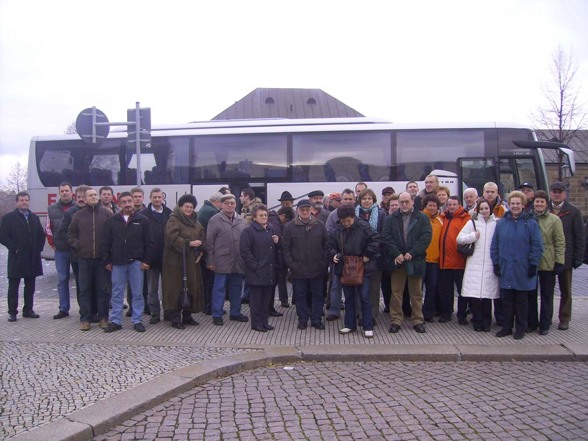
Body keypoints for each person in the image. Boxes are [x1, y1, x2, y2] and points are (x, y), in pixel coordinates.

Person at [491, 191, 543, 340]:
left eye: (517, 204)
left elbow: (537, 245)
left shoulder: (531, 223)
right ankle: (507, 327)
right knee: (506, 300)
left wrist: (533, 263)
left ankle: (520, 328)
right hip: (506, 267)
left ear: (523, 205)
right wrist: (496, 263)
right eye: (512, 203)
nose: (515, 206)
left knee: (521, 301)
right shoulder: (501, 223)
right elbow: (495, 245)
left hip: (523, 268)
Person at [102, 192, 154, 333]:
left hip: (136, 263)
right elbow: (106, 242)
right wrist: (107, 260)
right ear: (119, 204)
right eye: (124, 202)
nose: (127, 204)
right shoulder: (112, 221)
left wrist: (146, 260)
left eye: (129, 201)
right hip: (117, 263)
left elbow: (149, 242)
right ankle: (116, 321)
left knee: (137, 293)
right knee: (117, 293)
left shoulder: (142, 220)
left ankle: (137, 320)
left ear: (133, 202)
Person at [382, 191, 432, 334]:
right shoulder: (391, 219)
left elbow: (426, 237)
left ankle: (417, 320)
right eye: (401, 202)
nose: (404, 204)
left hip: (415, 260)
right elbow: (386, 237)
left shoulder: (422, 218)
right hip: (398, 261)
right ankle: (396, 320)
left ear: (412, 202)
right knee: (396, 293)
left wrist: (412, 252)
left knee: (416, 293)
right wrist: (397, 253)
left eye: (407, 201)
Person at [329, 205, 379, 338]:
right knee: (349, 298)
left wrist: (368, 254)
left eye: (348, 221)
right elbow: (330, 245)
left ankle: (368, 326)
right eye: (343, 221)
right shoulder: (338, 228)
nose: (346, 224)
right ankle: (349, 324)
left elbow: (376, 239)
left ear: (353, 217)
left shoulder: (363, 226)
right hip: (345, 266)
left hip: (363, 267)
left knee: (364, 297)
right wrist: (333, 254)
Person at [68, 187, 113, 331]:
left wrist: (109, 253)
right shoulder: (78, 215)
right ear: (85, 199)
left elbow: (114, 234)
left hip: (102, 259)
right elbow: (71, 234)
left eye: (95, 195)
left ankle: (103, 317)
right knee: (85, 290)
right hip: (84, 259)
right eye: (90, 195)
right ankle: (85, 319)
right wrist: (77, 245)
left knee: (102, 290)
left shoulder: (107, 214)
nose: (93, 197)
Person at [282, 199, 329, 330]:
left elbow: (327, 245)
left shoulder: (319, 225)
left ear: (311, 211)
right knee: (300, 296)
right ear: (298, 211)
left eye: (307, 210)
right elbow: (285, 248)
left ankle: (316, 319)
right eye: (302, 210)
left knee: (318, 295)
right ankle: (302, 319)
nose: (305, 212)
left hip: (317, 268)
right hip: (298, 269)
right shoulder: (290, 227)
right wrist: (292, 265)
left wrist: (323, 262)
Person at [0, 191, 46, 322]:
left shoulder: (34, 217)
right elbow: (3, 236)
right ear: (17, 202)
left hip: (32, 256)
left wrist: (39, 248)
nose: (24, 202)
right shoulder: (9, 218)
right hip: (17, 256)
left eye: (26, 200)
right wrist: (15, 248)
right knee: (14, 285)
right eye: (22, 200)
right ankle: (12, 312)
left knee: (30, 285)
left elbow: (41, 235)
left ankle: (28, 310)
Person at [163, 194, 205, 329]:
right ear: (180, 207)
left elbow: (202, 236)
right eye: (186, 206)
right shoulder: (173, 220)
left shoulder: (196, 221)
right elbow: (171, 238)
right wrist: (189, 243)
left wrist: (200, 250)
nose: (189, 209)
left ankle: (188, 316)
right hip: (175, 262)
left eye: (191, 207)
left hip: (192, 260)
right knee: (176, 288)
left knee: (192, 287)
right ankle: (175, 318)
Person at [548, 181, 586, 330]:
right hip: (548, 258)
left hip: (566, 257)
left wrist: (578, 256)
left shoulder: (573, 211)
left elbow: (579, 236)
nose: (557, 194)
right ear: (550, 193)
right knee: (547, 291)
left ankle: (564, 318)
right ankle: (547, 318)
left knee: (566, 290)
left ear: (564, 194)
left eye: (560, 192)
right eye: (554, 191)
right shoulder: (545, 208)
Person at [457, 199, 499, 332]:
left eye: (486, 208)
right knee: (474, 295)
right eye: (482, 209)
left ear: (490, 209)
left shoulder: (497, 223)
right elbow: (460, 239)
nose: (484, 211)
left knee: (487, 295)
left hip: (489, 262)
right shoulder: (472, 223)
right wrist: (473, 236)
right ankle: (477, 320)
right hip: (474, 262)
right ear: (478, 210)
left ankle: (487, 321)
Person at [206, 194, 248, 326]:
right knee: (219, 288)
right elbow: (209, 242)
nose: (230, 205)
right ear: (222, 205)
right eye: (227, 203)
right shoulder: (215, 220)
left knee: (236, 287)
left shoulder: (241, 220)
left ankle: (235, 312)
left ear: (236, 204)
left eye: (232, 203)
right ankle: (217, 314)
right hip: (221, 259)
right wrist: (210, 261)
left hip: (238, 259)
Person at [528, 190, 564, 335]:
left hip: (548, 261)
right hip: (531, 261)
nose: (539, 204)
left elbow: (560, 242)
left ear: (546, 203)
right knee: (531, 294)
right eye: (537, 201)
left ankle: (545, 323)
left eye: (542, 201)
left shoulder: (554, 220)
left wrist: (559, 261)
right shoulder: (528, 218)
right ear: (534, 203)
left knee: (546, 295)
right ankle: (532, 322)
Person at [240, 204, 279, 332]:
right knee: (256, 300)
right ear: (255, 217)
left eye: (265, 215)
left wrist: (277, 241)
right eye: (261, 215)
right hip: (256, 271)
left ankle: (264, 322)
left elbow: (274, 248)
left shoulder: (270, 228)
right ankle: (256, 323)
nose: (264, 217)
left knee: (266, 299)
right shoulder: (248, 231)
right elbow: (245, 252)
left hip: (269, 269)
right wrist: (255, 266)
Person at [140, 188, 172, 324]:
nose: (157, 199)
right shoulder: (144, 214)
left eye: (159, 197)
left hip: (167, 256)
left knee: (168, 287)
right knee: (152, 287)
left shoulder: (169, 213)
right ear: (150, 198)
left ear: (163, 198)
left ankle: (168, 312)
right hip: (151, 257)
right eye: (155, 197)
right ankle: (154, 313)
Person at [438, 196, 471, 324]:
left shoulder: (465, 218)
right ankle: (447, 313)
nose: (451, 207)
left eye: (454, 204)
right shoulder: (443, 218)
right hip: (445, 261)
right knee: (445, 290)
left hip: (459, 261)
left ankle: (461, 314)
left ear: (459, 205)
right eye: (449, 204)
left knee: (462, 290)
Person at [355, 188, 386, 321]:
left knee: (373, 289)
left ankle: (371, 316)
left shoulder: (381, 213)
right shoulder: (354, 214)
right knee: (358, 287)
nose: (367, 201)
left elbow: (383, 235)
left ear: (373, 200)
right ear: (360, 200)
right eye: (364, 198)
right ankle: (359, 314)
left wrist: (371, 252)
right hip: (357, 256)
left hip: (375, 256)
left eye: (369, 198)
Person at [325, 189, 356, 321]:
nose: (348, 201)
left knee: (354, 286)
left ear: (354, 200)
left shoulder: (357, 214)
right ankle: (334, 310)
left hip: (354, 258)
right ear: (341, 200)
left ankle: (355, 311)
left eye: (350, 199)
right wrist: (334, 254)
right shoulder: (332, 215)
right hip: (337, 256)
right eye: (345, 199)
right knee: (335, 285)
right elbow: (328, 235)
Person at [45, 182, 75, 319]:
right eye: (62, 191)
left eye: (66, 190)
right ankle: (63, 308)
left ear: (71, 192)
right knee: (62, 279)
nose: (64, 193)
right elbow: (48, 228)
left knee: (81, 280)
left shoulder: (78, 207)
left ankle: (84, 308)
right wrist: (53, 244)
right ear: (59, 192)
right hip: (61, 250)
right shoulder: (51, 209)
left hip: (76, 250)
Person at [196, 192, 223, 315]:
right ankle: (209, 307)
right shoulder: (212, 212)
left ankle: (205, 306)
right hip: (208, 251)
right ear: (217, 202)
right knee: (210, 281)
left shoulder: (204, 208)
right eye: (222, 203)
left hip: (202, 250)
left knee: (206, 280)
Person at [421, 194, 443, 323]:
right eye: (430, 205)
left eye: (434, 205)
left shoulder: (440, 220)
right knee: (418, 288)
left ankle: (428, 312)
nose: (432, 208)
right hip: (422, 259)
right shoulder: (420, 218)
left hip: (434, 260)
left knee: (432, 287)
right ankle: (417, 312)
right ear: (425, 206)